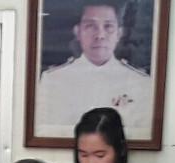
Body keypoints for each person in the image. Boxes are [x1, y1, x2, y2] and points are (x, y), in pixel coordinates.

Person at [34, 3, 155, 136]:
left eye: (108, 26)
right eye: (91, 26)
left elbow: (144, 134)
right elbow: (43, 131)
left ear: (119, 33)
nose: (100, 35)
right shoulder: (53, 80)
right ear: (78, 32)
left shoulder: (140, 82)